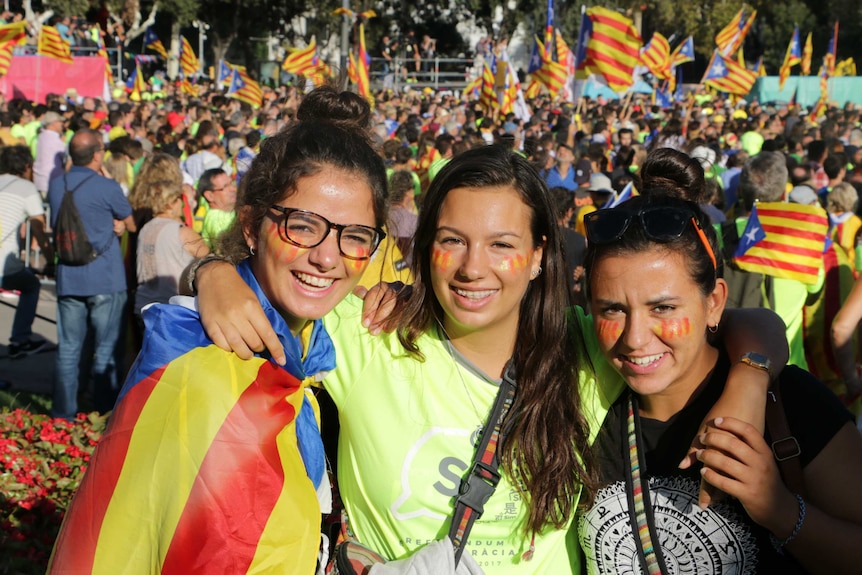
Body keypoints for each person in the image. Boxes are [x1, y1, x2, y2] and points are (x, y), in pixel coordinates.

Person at [194, 145, 787, 574]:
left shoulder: (586, 348)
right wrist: (214, 273)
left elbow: (742, 321)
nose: (473, 268)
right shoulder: (367, 332)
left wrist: (749, 381)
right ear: (423, 249)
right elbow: (261, 301)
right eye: (452, 240)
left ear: (537, 256)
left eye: (502, 244)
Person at [49, 86, 390, 573]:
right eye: (303, 226)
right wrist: (209, 270)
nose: (328, 257)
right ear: (252, 227)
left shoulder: (317, 339)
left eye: (354, 236)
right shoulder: (210, 371)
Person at [578, 194, 862, 574]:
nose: (635, 338)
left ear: (714, 303)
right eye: (613, 309)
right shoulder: (583, 396)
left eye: (663, 308)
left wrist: (778, 508)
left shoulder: (791, 403)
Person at [47, 129, 136, 419]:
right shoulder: (107, 187)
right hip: (105, 279)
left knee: (69, 350)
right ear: (98, 154)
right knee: (106, 351)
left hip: (69, 276)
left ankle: (63, 415)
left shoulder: (57, 185)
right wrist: (119, 225)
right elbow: (131, 223)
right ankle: (104, 414)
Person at [0, 145, 53, 357]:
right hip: (5, 264)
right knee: (31, 285)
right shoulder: (25, 187)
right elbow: (39, 228)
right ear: (26, 166)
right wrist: (50, 259)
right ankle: (20, 339)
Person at [133, 179, 209, 317]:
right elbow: (209, 260)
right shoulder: (182, 231)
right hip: (172, 308)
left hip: (144, 306)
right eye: (180, 199)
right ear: (171, 203)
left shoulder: (145, 228)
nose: (183, 203)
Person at [199, 167, 237, 251]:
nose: (233, 189)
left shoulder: (228, 212)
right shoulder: (215, 218)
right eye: (225, 186)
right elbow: (229, 249)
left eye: (231, 183)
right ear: (209, 195)